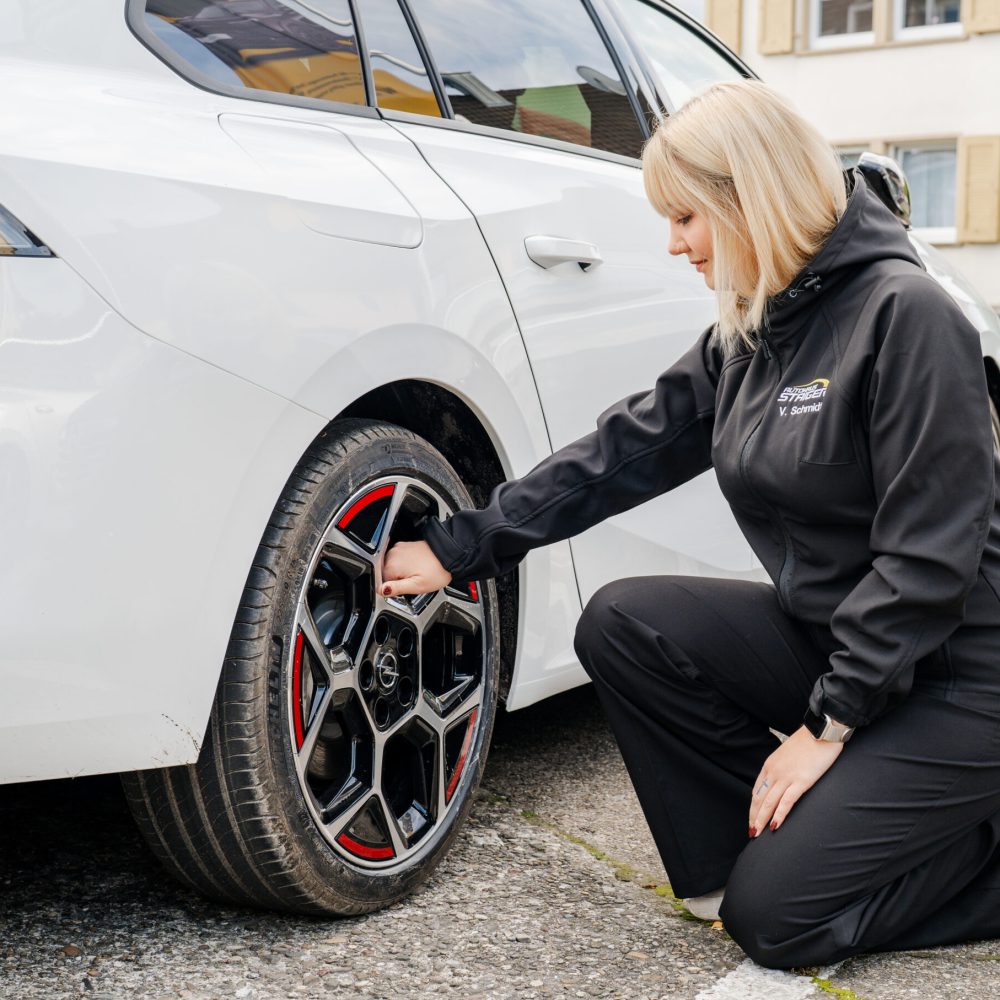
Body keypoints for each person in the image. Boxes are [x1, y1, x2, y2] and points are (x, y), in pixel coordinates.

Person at [379, 78, 1000, 970]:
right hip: (841, 646)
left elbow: (929, 561)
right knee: (625, 622)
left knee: (781, 922)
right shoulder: (755, 333)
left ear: (752, 200)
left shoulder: (909, 315)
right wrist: (462, 546)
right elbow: (617, 454)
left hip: (958, 679)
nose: (673, 246)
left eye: (686, 218)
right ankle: (745, 861)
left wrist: (828, 729)